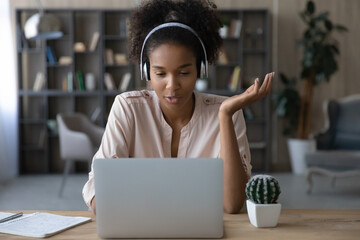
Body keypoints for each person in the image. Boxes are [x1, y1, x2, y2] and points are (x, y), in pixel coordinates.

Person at [82, 0, 273, 214]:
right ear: (146, 72)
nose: (172, 86)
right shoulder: (128, 108)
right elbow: (99, 197)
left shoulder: (227, 112)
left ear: (201, 69)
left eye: (183, 73)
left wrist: (226, 114)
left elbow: (232, 203)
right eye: (160, 73)